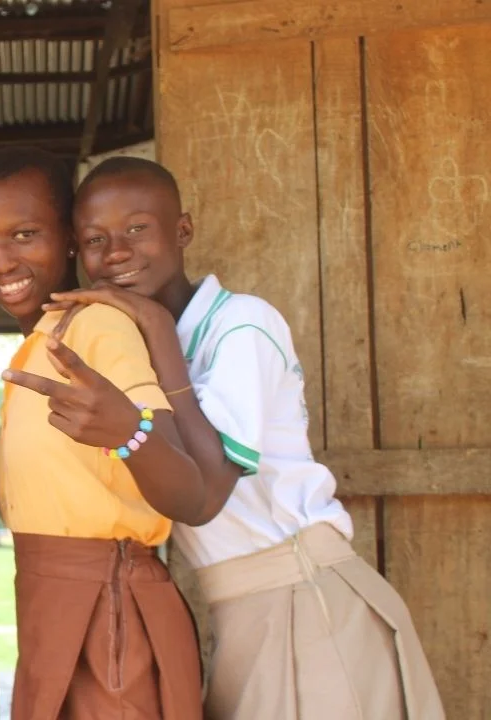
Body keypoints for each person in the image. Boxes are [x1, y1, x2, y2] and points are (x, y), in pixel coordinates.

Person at [47, 156, 444, 719]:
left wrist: (159, 330)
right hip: (240, 606)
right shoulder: (123, 349)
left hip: (304, 595)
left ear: (182, 230)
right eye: (95, 239)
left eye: (138, 228)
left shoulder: (243, 325)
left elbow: (209, 486)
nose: (116, 252)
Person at [0, 147, 207, 720]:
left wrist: (130, 431)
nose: (2, 261)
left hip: (106, 613)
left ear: (70, 239)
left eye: (25, 234)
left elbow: (187, 488)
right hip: (55, 606)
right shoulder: (43, 340)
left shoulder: (97, 327)